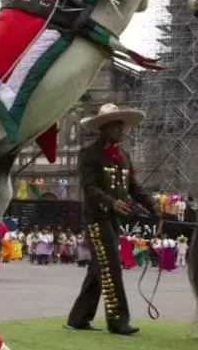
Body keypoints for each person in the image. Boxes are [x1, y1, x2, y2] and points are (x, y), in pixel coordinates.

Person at [66, 103, 159, 336]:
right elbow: (89, 187)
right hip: (96, 218)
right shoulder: (89, 154)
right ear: (104, 128)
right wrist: (111, 202)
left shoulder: (124, 156)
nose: (121, 130)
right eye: (116, 126)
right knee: (111, 267)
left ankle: (78, 318)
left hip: (114, 219)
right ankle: (118, 321)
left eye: (121, 126)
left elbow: (133, 187)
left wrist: (152, 205)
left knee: (98, 269)